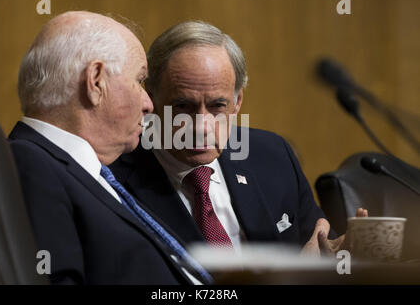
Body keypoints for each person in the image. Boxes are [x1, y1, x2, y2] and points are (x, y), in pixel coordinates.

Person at [109, 21, 367, 256]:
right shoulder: (111, 174)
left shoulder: (272, 155)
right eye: (183, 106)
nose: (202, 126)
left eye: (217, 105)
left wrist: (328, 265)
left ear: (237, 102)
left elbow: (319, 250)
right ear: (150, 98)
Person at [9, 12, 212, 284]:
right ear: (96, 81)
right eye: (139, 81)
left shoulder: (87, 172)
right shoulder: (29, 165)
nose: (148, 104)